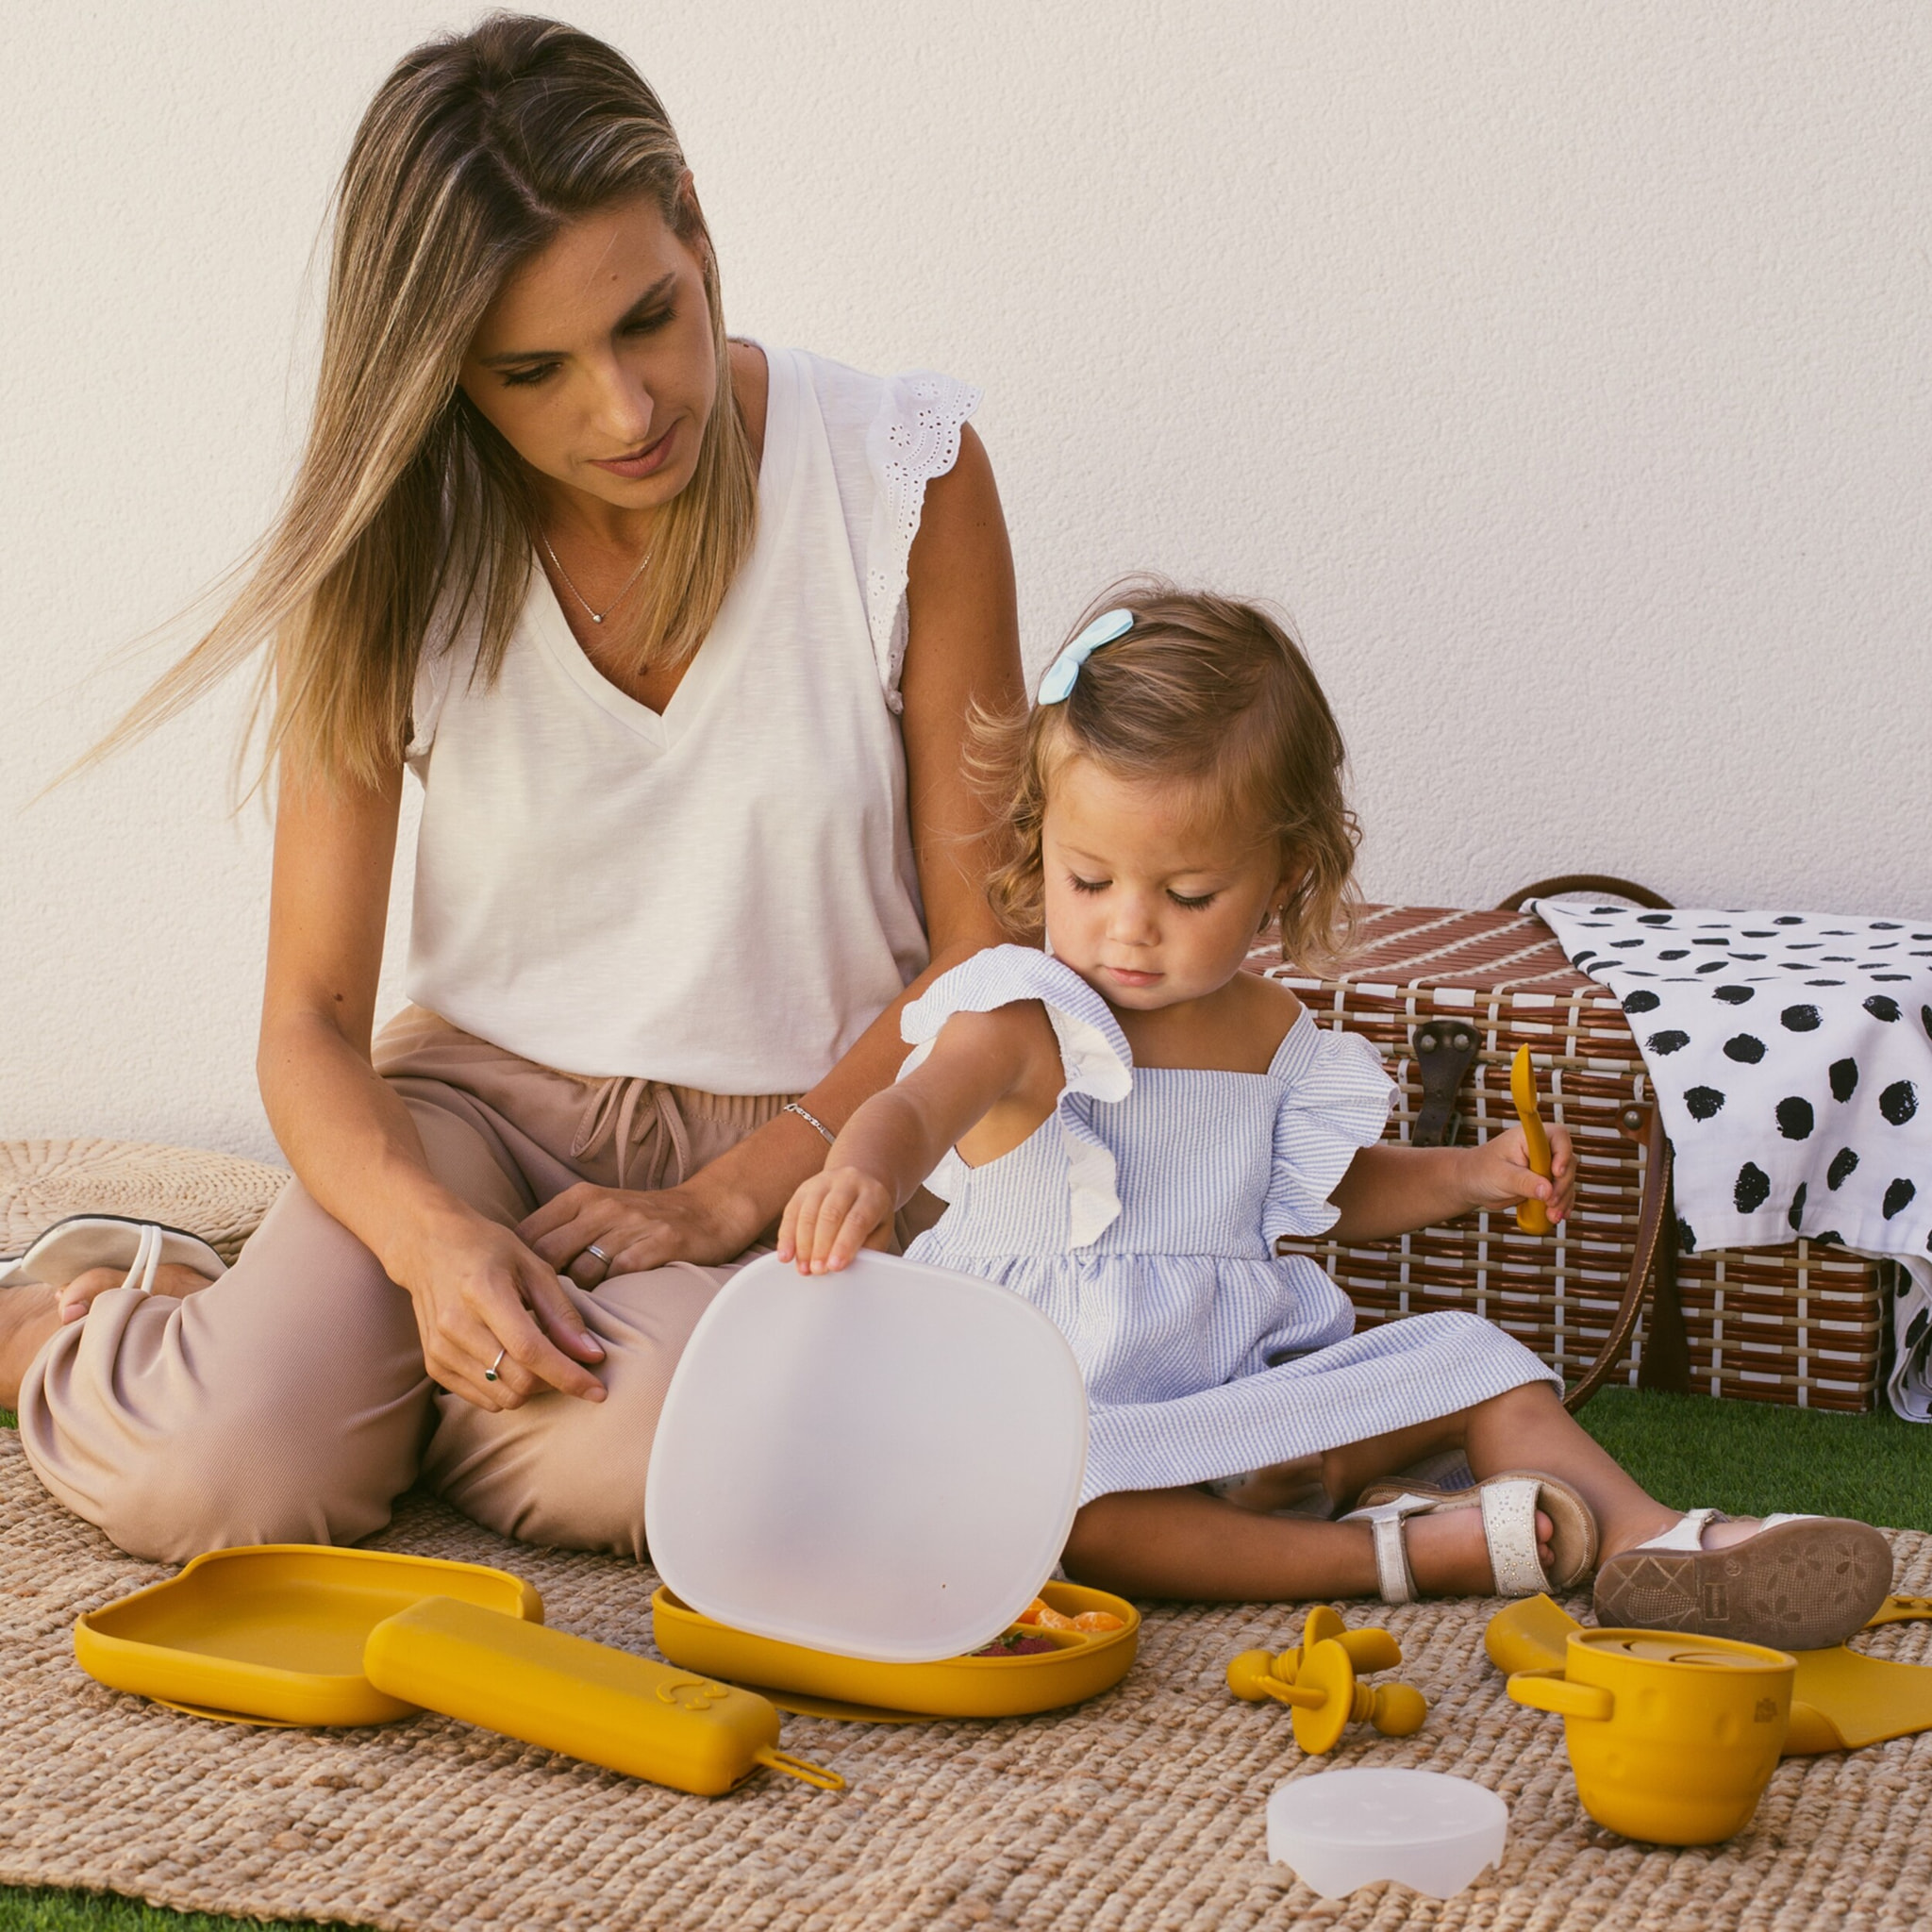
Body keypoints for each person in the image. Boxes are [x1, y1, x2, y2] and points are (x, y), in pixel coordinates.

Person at [0, 16, 1023, 1564]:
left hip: (815, 1119)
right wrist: (424, 1241)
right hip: (475, 1112)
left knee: (658, 1459)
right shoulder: (396, 545)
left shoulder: (901, 478)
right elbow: (310, 1023)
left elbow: (982, 956)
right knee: (225, 1483)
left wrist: (743, 1188)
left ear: (691, 214)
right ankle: (64, 1324)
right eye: (533, 371)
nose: (622, 409)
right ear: (448, 376)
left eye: (647, 320)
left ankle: (353, 1373)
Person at [778, 581, 1894, 1649]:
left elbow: (1317, 1194)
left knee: (1476, 1356)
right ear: (1040, 845)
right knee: (1065, 1507)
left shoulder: (1269, 1029)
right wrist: (865, 1173)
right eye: (1087, 879)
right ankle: (1390, 1556)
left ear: (1282, 874)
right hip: (1072, 1417)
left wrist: (1471, 1174)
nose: (1128, 929)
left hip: (1249, 1398)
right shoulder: (1025, 1013)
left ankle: (1656, 1545)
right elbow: (915, 1105)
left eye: (1186, 895)